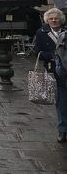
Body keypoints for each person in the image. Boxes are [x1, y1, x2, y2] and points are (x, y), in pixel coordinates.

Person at [34, 8, 66, 143]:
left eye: (56, 18)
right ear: (47, 20)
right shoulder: (41, 33)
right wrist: (53, 56)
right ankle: (63, 130)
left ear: (61, 19)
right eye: (51, 18)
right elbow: (38, 51)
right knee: (61, 101)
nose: (54, 20)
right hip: (54, 70)